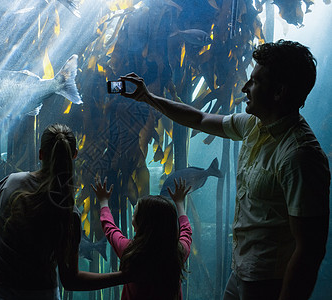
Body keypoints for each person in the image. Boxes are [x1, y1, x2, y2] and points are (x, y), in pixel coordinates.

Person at [119, 40, 330, 300]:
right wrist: (148, 98)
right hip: (240, 270)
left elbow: (310, 250)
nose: (245, 88)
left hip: (269, 281)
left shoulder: (300, 156)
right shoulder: (252, 125)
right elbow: (198, 118)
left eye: (255, 81)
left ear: (279, 91)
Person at [0, 124, 127, 300]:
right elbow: (70, 280)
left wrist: (1, 275)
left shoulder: (8, 183)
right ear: (74, 155)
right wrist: (124, 276)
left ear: (41, 154)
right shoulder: (69, 211)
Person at [92, 176, 192, 300]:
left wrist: (103, 202)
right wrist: (179, 203)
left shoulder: (131, 252)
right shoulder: (177, 254)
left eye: (134, 214)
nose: (132, 216)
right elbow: (186, 232)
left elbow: (110, 229)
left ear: (138, 224)